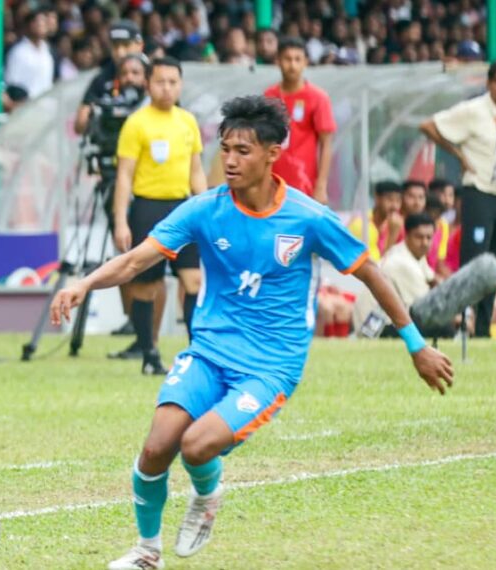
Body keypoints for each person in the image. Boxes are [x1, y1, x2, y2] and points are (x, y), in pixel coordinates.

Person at [49, 95, 454, 570]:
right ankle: (147, 552)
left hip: (269, 367)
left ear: (272, 153)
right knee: (156, 447)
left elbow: (371, 273)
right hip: (209, 353)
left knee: (196, 446)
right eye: (225, 149)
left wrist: (416, 345)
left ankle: (207, 494)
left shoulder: (307, 217)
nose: (231, 160)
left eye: (243, 151)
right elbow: (137, 260)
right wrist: (84, 285)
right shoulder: (205, 210)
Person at [108, 56, 206, 372]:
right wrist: (120, 221)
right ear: (148, 84)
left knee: (193, 280)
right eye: (160, 82)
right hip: (148, 208)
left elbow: (196, 170)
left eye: (173, 82)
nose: (167, 88)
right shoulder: (137, 123)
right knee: (145, 286)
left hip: (184, 208)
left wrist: (206, 207)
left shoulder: (188, 121)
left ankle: (199, 354)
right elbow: (124, 175)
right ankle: (149, 354)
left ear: (181, 85)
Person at [74, 21, 152, 340]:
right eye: (116, 46)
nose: (121, 52)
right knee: (123, 245)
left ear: (139, 45)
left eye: (126, 45)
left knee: (146, 248)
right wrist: (101, 112)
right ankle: (131, 319)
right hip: (112, 170)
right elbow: (80, 123)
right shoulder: (102, 79)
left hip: (150, 177)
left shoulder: (154, 76)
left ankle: (146, 326)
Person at [420, 60, 496, 337]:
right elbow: (429, 125)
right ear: (489, 84)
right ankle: (470, 330)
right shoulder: (474, 110)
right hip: (480, 194)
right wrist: (458, 155)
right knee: (476, 264)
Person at [264, 37, 336, 204]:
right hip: (272, 183)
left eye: (297, 59)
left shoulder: (318, 97)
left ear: (306, 62)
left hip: (305, 185)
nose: (292, 65)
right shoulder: (269, 96)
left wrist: (321, 185)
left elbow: (326, 143)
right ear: (278, 61)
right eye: (287, 59)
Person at [353, 213, 437, 331]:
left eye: (429, 237)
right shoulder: (402, 263)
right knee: (442, 326)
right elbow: (428, 306)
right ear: (407, 236)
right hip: (373, 327)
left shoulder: (415, 255)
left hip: (384, 321)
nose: (425, 243)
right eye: (419, 237)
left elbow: (433, 279)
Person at [347, 180, 404, 261]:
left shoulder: (396, 224)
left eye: (398, 201)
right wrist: (392, 235)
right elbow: (376, 265)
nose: (394, 206)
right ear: (377, 198)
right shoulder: (362, 225)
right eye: (390, 199)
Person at [4, 9, 54, 99]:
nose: (42, 25)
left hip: (46, 103)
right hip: (26, 104)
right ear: (29, 25)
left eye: (44, 22)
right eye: (38, 22)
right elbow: (11, 83)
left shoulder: (48, 51)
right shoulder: (18, 52)